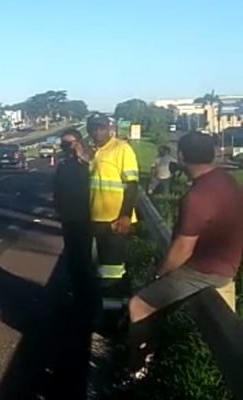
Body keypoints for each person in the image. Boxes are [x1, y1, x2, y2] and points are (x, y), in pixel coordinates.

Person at [122, 132, 243, 381]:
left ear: (181, 157)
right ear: (213, 154)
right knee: (157, 308)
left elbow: (182, 249)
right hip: (226, 265)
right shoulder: (226, 181)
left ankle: (137, 372)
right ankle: (151, 358)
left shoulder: (197, 197)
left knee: (138, 305)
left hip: (204, 270)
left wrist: (158, 274)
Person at [87, 114, 139, 301]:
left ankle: (113, 315)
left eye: (101, 128)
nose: (97, 132)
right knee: (103, 268)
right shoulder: (94, 151)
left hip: (115, 220)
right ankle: (108, 305)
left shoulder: (121, 148)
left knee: (113, 271)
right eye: (93, 128)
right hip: (97, 218)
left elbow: (132, 185)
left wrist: (125, 216)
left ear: (109, 129)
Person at [53, 128, 96, 312]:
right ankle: (77, 297)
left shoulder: (90, 161)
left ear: (78, 143)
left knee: (86, 260)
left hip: (87, 217)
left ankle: (88, 300)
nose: (65, 148)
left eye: (68, 144)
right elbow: (58, 189)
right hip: (68, 218)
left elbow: (96, 175)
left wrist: (83, 159)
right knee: (73, 259)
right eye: (63, 145)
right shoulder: (63, 165)